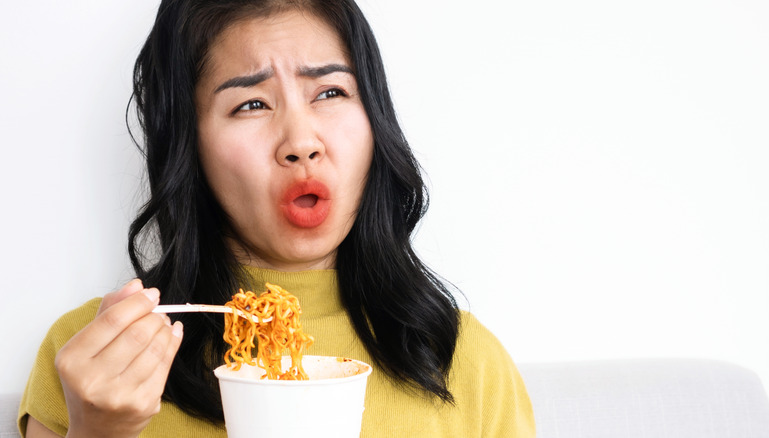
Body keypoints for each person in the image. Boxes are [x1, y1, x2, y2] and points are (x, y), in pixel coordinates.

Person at [18, 0, 535, 436]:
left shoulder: (467, 362)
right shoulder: (89, 356)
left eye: (330, 92)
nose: (302, 143)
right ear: (189, 146)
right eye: (251, 104)